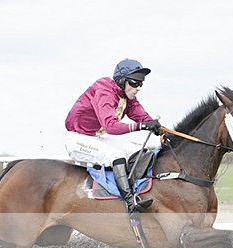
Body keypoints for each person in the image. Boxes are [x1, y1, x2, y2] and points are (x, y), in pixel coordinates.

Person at [65, 58, 162, 213]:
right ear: (122, 81)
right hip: (78, 139)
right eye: (134, 83)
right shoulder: (104, 91)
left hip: (97, 137)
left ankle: (137, 191)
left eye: (141, 84)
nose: (138, 88)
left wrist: (157, 126)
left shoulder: (125, 95)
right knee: (117, 156)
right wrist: (141, 126)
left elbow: (140, 114)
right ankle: (130, 202)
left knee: (137, 152)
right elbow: (111, 126)